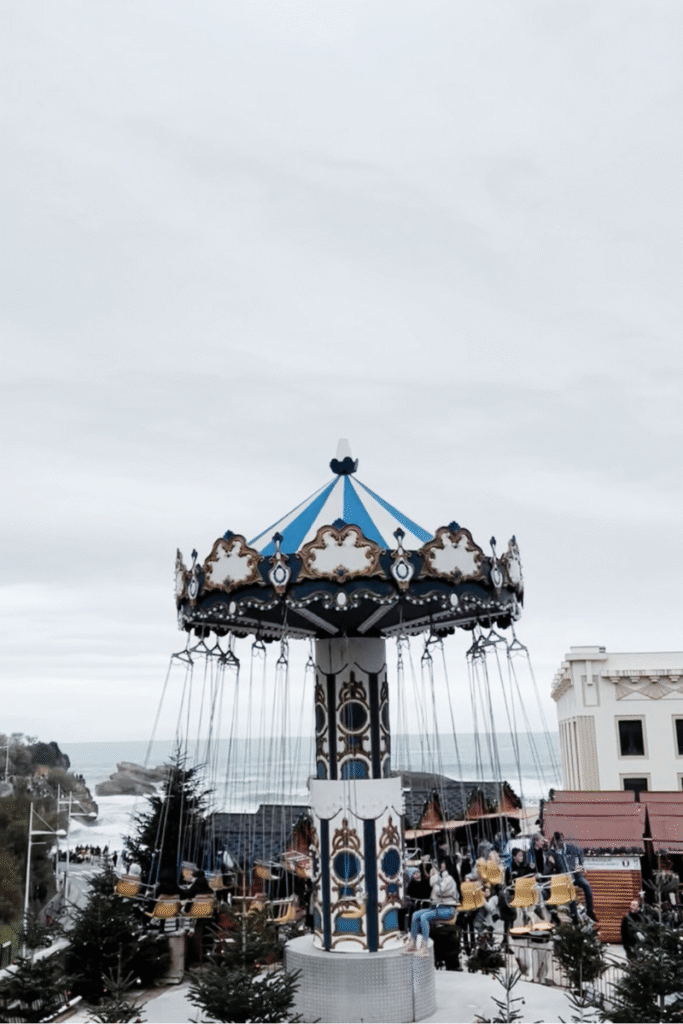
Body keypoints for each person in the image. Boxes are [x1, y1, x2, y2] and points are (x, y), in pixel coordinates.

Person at [404, 861, 459, 956]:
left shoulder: (449, 878)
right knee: (415, 915)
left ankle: (424, 946)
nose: (441, 865)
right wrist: (435, 877)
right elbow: (432, 886)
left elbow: (438, 891)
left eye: (443, 863)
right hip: (437, 907)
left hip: (447, 909)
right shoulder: (440, 877)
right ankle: (413, 943)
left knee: (424, 917)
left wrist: (435, 877)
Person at [550, 832, 597, 922]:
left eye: (559, 842)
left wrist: (580, 865)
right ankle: (574, 915)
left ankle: (590, 911)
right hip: (564, 877)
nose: (558, 845)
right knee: (570, 891)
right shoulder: (554, 852)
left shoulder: (571, 848)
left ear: (562, 840)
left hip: (575, 874)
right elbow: (549, 855)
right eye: (556, 843)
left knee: (587, 886)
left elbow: (580, 852)